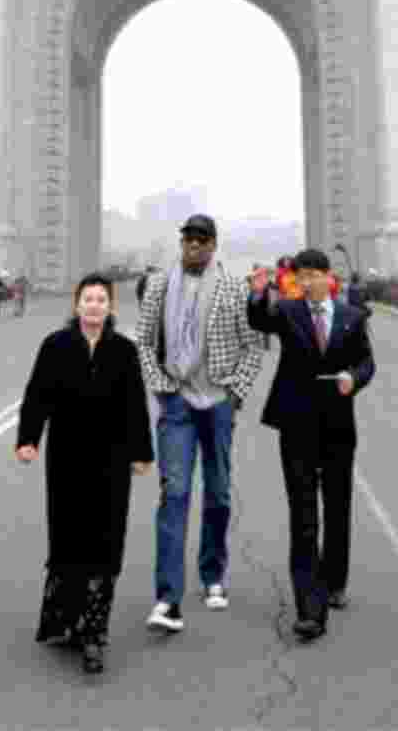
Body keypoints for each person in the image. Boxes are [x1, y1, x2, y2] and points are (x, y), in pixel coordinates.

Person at [16, 273, 153, 674]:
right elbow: (37, 393)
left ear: (110, 307)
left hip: (111, 460)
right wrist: (29, 439)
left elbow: (135, 405)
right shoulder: (56, 346)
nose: (94, 305)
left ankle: (94, 632)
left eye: (101, 300)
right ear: (77, 305)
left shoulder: (124, 351)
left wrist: (141, 452)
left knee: (106, 541)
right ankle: (64, 620)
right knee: (69, 535)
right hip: (67, 457)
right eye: (88, 299)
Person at [136, 214, 264, 632]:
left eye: (202, 240)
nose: (194, 246)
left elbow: (253, 346)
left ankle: (213, 574)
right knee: (174, 493)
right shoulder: (158, 286)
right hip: (177, 401)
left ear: (214, 245)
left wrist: (237, 393)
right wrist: (160, 387)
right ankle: (167, 599)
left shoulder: (232, 287)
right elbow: (143, 340)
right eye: (188, 239)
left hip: (219, 401)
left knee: (219, 491)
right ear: (182, 243)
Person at [248, 247, 375, 642]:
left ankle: (334, 580)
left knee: (337, 506)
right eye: (298, 277)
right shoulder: (287, 311)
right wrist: (257, 293)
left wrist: (354, 379)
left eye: (310, 276)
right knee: (303, 514)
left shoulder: (353, 317)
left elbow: (367, 362)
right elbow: (259, 320)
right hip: (297, 423)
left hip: (338, 423)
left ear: (327, 276)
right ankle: (309, 606)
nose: (303, 283)